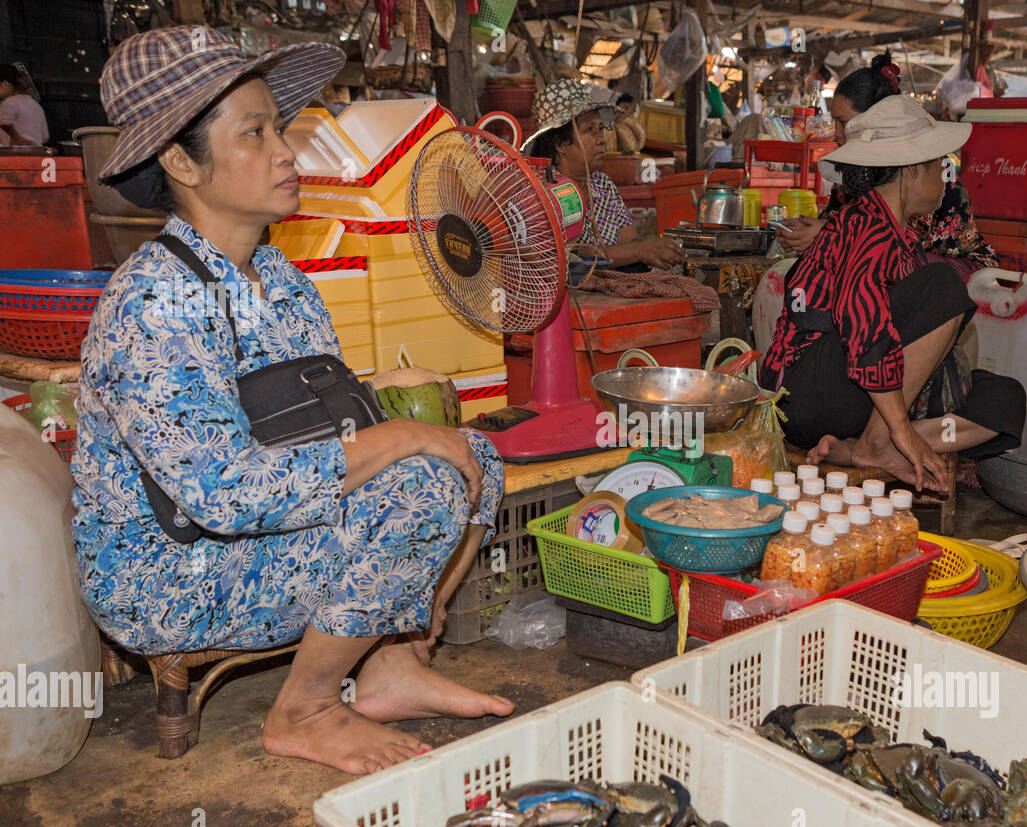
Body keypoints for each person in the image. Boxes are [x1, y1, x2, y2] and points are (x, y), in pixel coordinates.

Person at [75, 27, 513, 776]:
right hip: (171, 571)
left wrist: (410, 436)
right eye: (256, 133)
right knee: (423, 484)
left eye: (280, 126)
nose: (287, 151)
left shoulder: (277, 277)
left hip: (251, 525)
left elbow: (325, 425)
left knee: (476, 457)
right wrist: (404, 441)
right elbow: (225, 495)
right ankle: (304, 708)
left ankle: (391, 666)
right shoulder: (155, 304)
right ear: (181, 161)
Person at [759, 96, 1026, 491]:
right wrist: (900, 428)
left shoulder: (898, 235)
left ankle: (861, 446)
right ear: (914, 169)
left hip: (857, 394)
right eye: (939, 164)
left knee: (1005, 399)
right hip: (807, 393)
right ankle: (887, 439)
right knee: (943, 286)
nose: (945, 174)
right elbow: (861, 322)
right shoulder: (865, 225)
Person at [779, 52, 999, 279]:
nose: (837, 133)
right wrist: (812, 231)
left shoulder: (932, 179)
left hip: (947, 283)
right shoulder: (852, 175)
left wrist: (831, 239)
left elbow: (889, 252)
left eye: (843, 122)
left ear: (878, 120)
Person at [524, 79, 685, 271]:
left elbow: (629, 241)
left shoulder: (603, 184)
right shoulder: (543, 191)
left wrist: (651, 248)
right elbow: (578, 254)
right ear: (560, 144)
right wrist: (639, 249)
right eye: (589, 130)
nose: (601, 139)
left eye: (600, 129)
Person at [0, 63, 49, 147]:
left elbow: (4, 124)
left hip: (15, 155)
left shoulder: (9, 102)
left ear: (5, 84)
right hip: (37, 154)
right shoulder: (36, 105)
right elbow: (45, 137)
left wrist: (18, 139)